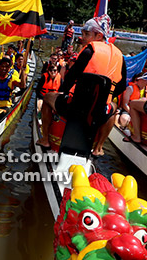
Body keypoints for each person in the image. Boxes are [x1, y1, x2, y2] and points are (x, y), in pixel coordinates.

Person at [37, 15, 126, 156]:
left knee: (48, 97)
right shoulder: (119, 55)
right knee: (112, 109)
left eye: (86, 34)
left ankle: (45, 139)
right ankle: (98, 148)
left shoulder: (89, 51)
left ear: (98, 35)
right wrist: (105, 98)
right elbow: (121, 87)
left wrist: (63, 93)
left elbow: (69, 80)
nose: (82, 37)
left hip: (76, 107)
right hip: (99, 110)